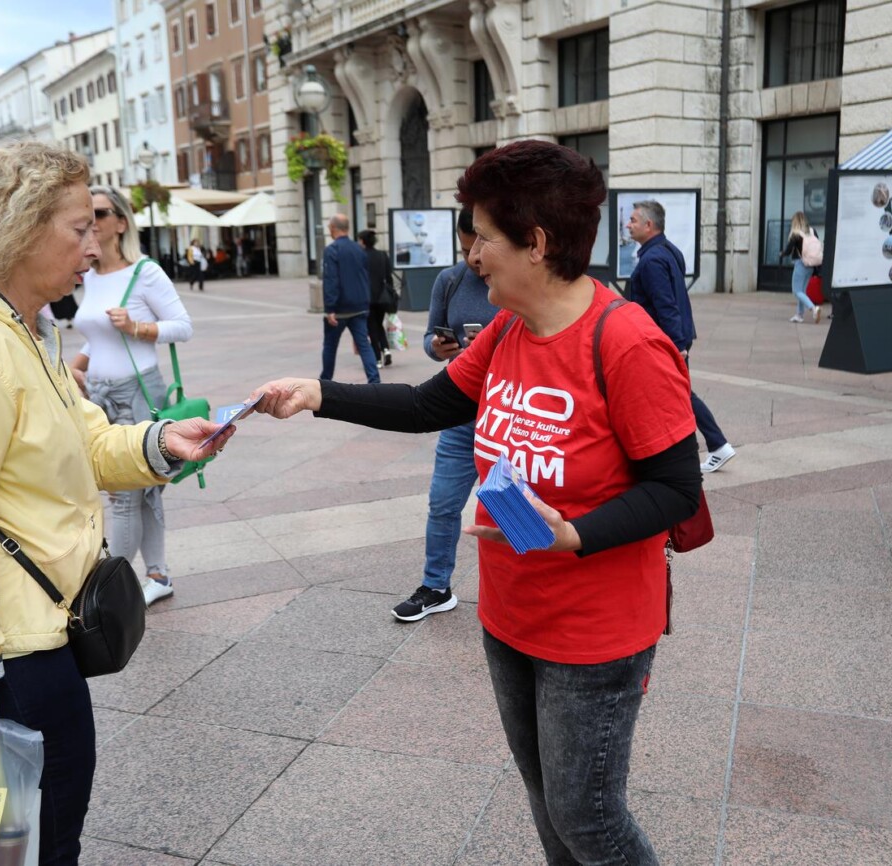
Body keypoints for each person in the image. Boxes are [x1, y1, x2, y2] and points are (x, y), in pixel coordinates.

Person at [253, 141, 701, 865]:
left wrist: (575, 535)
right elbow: (429, 401)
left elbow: (678, 489)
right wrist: (319, 394)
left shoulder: (626, 342)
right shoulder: (508, 329)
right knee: (545, 800)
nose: (470, 256)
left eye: (483, 237)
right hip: (511, 611)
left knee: (587, 816)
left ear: (538, 244)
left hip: (596, 630)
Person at [0, 142, 231, 864]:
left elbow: (86, 442)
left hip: (27, 630)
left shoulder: (22, 328)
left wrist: (161, 443)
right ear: (18, 227)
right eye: (78, 228)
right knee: (20, 844)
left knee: (12, 841)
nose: (94, 248)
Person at [70, 185, 194, 606]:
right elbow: (96, 336)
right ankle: (157, 575)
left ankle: (110, 597)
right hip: (98, 397)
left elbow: (182, 325)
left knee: (126, 494)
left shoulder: (145, 272)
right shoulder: (87, 273)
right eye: (88, 213)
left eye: (101, 213)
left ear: (121, 223)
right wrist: (78, 365)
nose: (93, 220)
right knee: (138, 490)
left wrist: (138, 328)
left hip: (136, 392)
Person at [388, 209, 501, 622]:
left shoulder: (509, 281)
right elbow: (429, 337)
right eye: (465, 248)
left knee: (509, 507)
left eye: (480, 248)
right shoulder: (450, 280)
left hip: (506, 415)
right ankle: (436, 586)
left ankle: (522, 592)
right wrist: (438, 349)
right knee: (442, 503)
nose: (473, 258)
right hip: (459, 411)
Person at [627, 200, 737, 474]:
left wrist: (676, 346)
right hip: (671, 339)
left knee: (681, 395)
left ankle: (717, 445)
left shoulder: (652, 259)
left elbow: (666, 304)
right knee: (671, 395)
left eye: (633, 220)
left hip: (663, 341)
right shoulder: (668, 250)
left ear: (648, 225)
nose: (628, 225)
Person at [320, 214, 381, 384]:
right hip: (360, 306)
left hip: (339, 309)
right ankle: (374, 381)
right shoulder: (359, 249)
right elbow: (364, 277)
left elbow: (331, 280)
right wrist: (365, 304)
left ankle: (325, 382)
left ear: (333, 228)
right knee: (364, 345)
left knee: (330, 346)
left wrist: (330, 308)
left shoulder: (331, 250)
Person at [359, 229, 397, 368]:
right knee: (378, 324)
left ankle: (377, 358)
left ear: (362, 241)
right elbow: (389, 277)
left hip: (366, 298)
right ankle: (386, 350)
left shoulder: (361, 256)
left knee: (371, 327)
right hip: (382, 297)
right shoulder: (382, 255)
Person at [782, 211, 823, 324]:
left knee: (796, 291)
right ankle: (799, 315)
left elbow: (788, 250)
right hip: (811, 264)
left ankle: (813, 308)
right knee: (802, 291)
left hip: (801, 263)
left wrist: (782, 254)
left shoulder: (795, 234)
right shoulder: (812, 231)